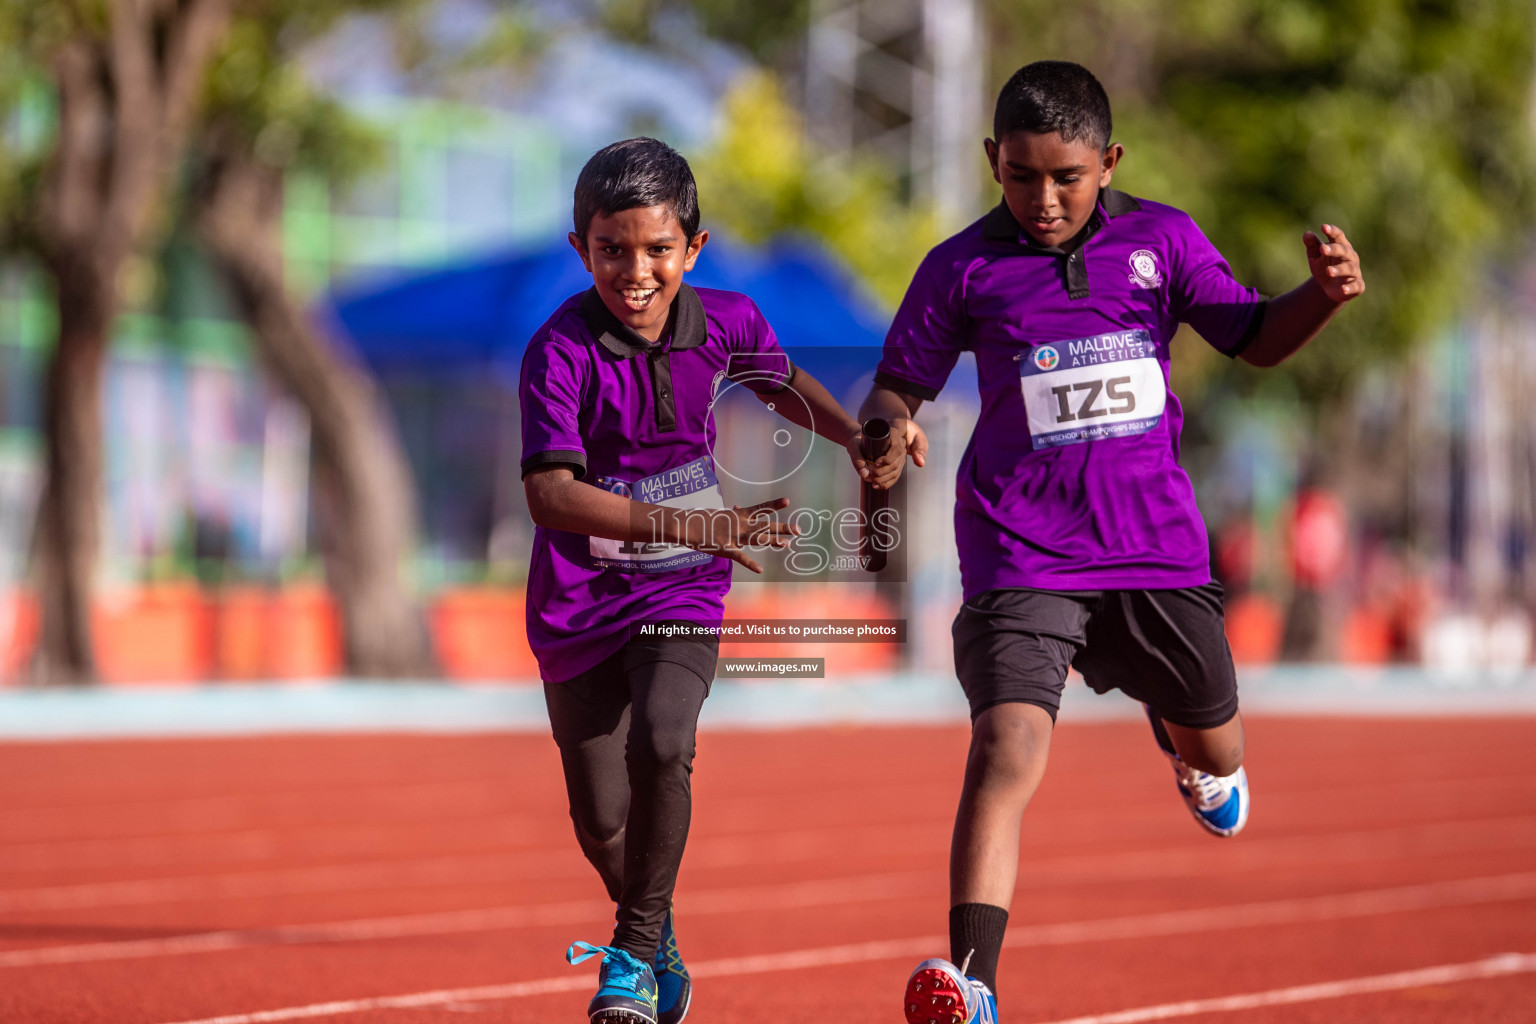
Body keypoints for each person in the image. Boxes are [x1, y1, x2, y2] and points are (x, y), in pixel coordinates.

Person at [857, 61, 1364, 1024]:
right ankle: (973, 985)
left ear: (1110, 161)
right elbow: (896, 388)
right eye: (1018, 176)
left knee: (1220, 743)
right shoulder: (960, 267)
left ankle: (1184, 740)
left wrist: (1323, 297)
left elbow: (1251, 335)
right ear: (990, 162)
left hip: (1152, 550)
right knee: (1005, 747)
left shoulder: (1164, 239)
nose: (1042, 200)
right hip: (1019, 546)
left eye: (1066, 178)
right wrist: (886, 431)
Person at [521, 137, 874, 1024]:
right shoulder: (558, 351)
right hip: (577, 604)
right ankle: (658, 934)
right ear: (580, 248)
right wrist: (697, 522)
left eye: (657, 250)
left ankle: (633, 959)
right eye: (611, 250)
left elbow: (783, 383)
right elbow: (550, 496)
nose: (635, 273)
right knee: (603, 824)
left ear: (694, 248)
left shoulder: (728, 321)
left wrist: (859, 441)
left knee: (665, 742)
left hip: (684, 585)